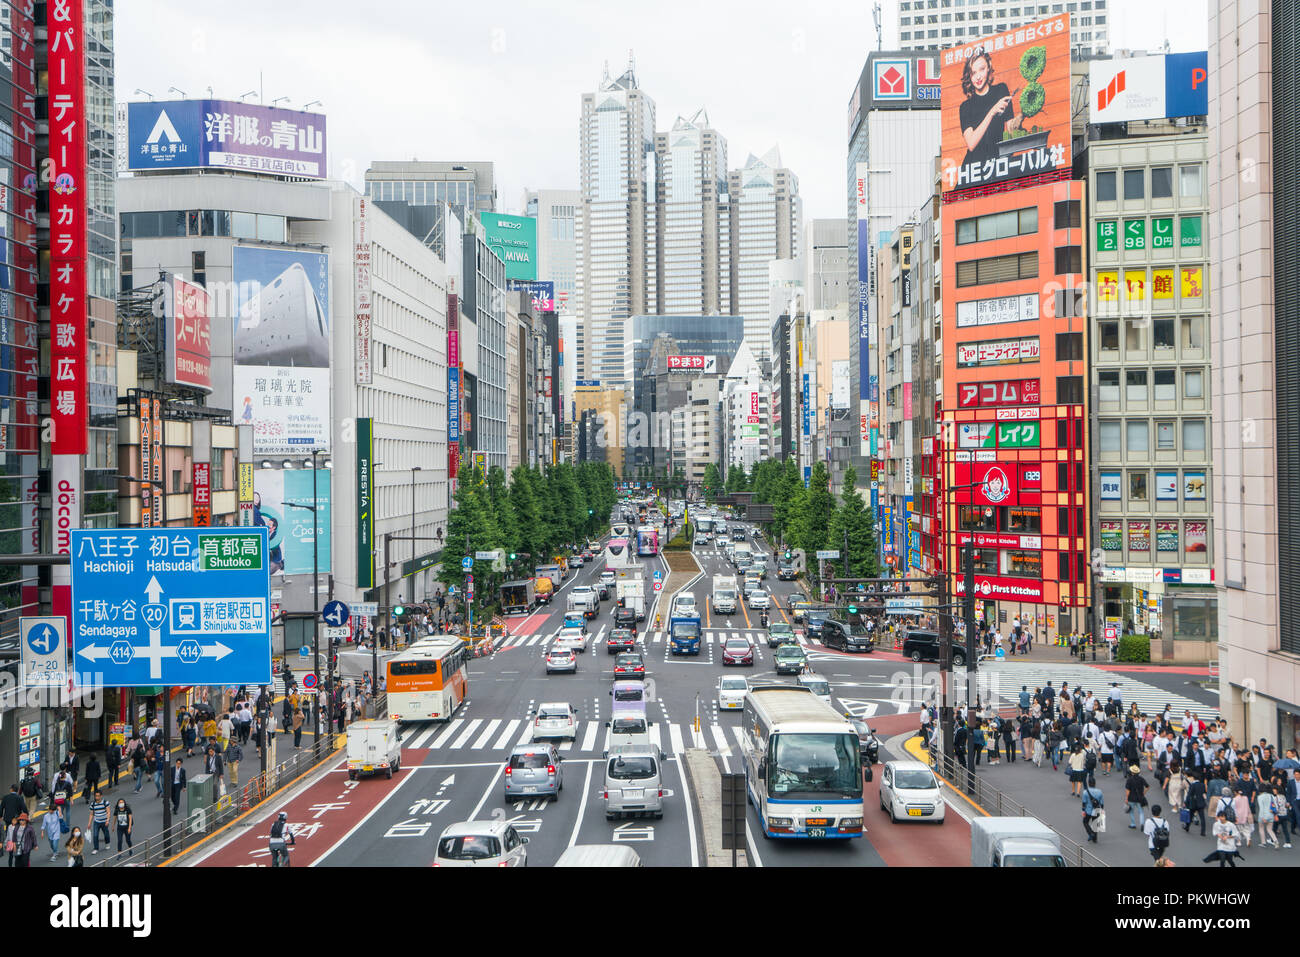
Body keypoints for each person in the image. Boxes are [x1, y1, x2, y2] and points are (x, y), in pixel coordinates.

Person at [87, 790, 110, 855]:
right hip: (96, 821)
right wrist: (89, 823)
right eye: (95, 796)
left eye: (98, 796)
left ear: (101, 796)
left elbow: (108, 812)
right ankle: (96, 848)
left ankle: (107, 843)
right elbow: (91, 814)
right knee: (95, 835)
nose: (97, 797)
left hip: (104, 821)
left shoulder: (105, 802)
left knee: (106, 834)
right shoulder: (93, 804)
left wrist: (107, 820)